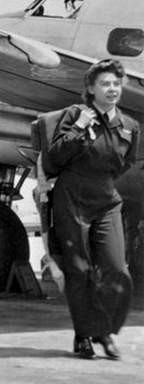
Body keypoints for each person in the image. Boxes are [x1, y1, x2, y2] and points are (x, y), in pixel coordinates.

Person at [47, 59, 139, 360]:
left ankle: (102, 330)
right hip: (71, 197)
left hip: (106, 198)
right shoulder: (75, 115)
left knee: (117, 270)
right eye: (105, 84)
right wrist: (79, 128)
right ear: (91, 88)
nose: (112, 89)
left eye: (116, 84)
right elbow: (54, 157)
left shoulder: (129, 126)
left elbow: (126, 162)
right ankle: (86, 334)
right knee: (80, 270)